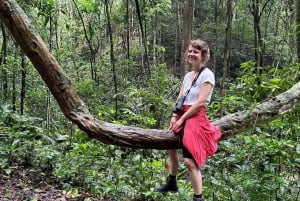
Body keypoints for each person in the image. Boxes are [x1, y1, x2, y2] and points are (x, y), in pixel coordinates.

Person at [156, 39, 221, 201]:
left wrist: (182, 118)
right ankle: (172, 182)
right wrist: (174, 116)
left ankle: (198, 198)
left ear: (203, 55)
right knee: (170, 147)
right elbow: (181, 97)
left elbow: (200, 102)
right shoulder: (188, 76)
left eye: (195, 52)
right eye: (190, 51)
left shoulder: (207, 75)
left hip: (195, 117)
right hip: (181, 114)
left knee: (190, 162)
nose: (191, 54)